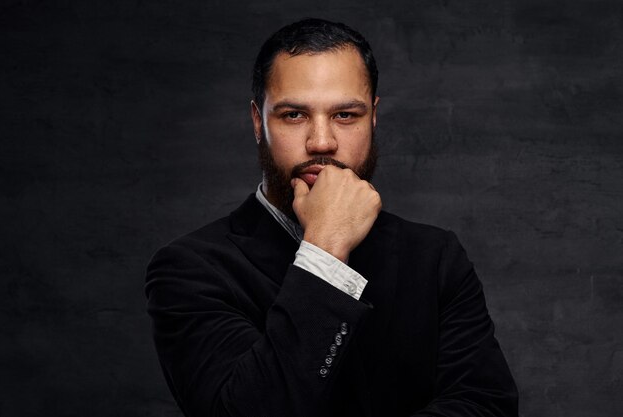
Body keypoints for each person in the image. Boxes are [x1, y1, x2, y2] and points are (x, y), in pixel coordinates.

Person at [145, 18, 518, 417]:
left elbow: (485, 405)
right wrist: (325, 249)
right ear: (258, 122)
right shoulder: (190, 269)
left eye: (345, 115)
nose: (321, 142)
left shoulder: (436, 256)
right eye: (293, 115)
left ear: (373, 117)